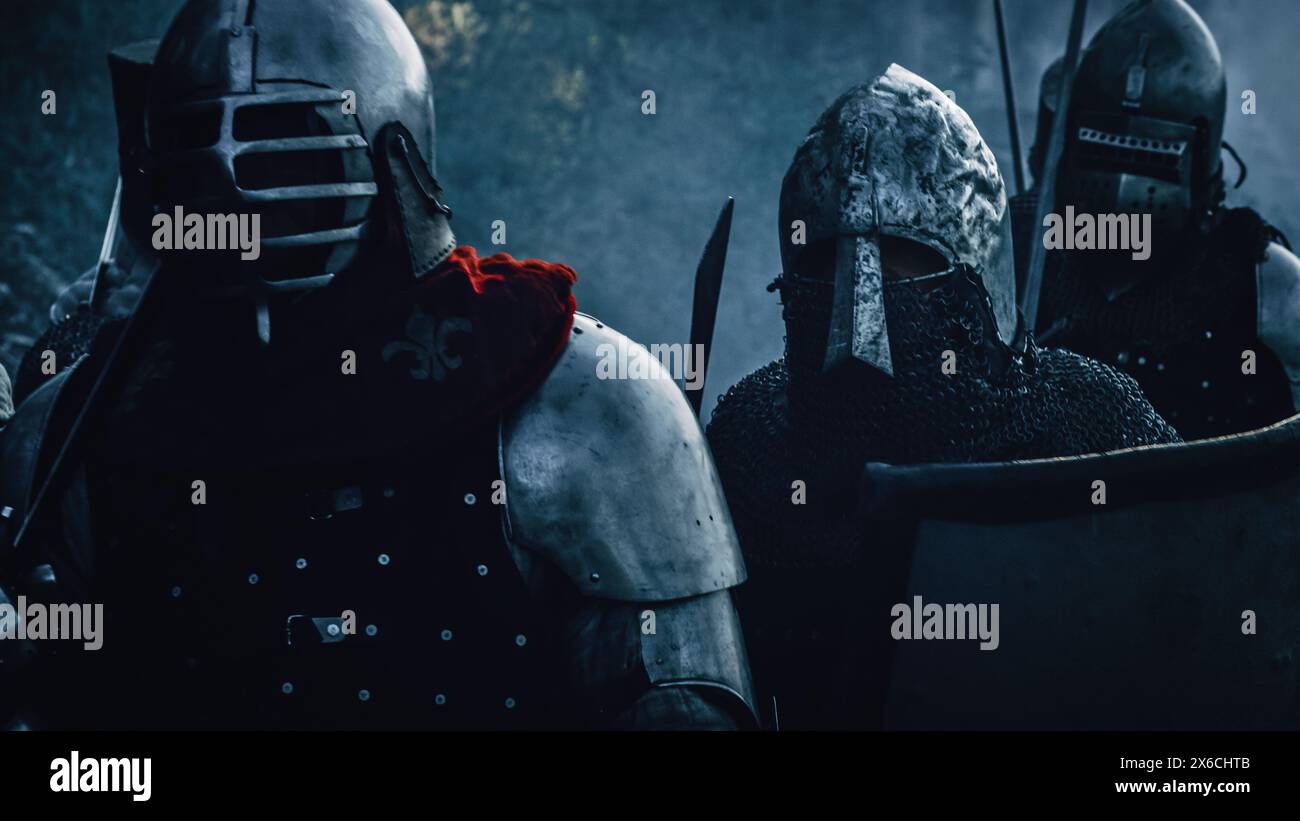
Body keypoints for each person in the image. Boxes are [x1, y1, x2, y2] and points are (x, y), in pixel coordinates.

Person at [0, 0, 754, 731]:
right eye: (202, 144)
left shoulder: (583, 404)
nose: (231, 175)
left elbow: (680, 707)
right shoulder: (73, 435)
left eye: (281, 135)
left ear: (391, 157)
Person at [706, 64, 1178, 728]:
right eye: (824, 269)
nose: (858, 327)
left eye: (901, 263)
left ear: (977, 275)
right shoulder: (750, 440)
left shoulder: (1097, 429)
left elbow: (1193, 641)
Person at [1014, 0, 1300, 439]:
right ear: (1067, 144)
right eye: (1104, 149)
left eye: (1153, 158)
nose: (1124, 185)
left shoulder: (1267, 287)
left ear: (1200, 159)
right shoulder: (1014, 248)